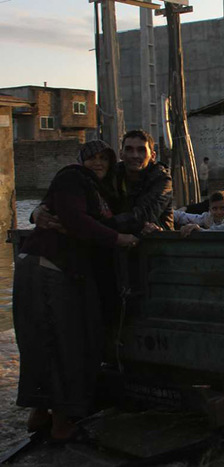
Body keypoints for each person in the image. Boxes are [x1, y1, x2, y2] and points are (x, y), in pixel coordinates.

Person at [12, 140, 138, 442]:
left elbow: (68, 213)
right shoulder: (73, 178)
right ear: (80, 160)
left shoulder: (95, 189)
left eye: (103, 160)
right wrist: (118, 238)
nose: (97, 164)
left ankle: (39, 413)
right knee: (64, 344)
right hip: (51, 268)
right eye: (92, 158)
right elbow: (74, 219)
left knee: (40, 342)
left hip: (43, 267)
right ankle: (61, 423)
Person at [32, 129, 174, 235]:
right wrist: (40, 209)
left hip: (158, 242)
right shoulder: (113, 173)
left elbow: (142, 216)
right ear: (121, 154)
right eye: (129, 150)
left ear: (152, 156)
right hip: (118, 242)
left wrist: (90, 226)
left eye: (141, 150)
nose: (134, 155)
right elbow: (75, 191)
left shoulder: (161, 180)